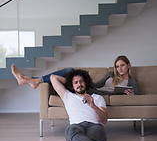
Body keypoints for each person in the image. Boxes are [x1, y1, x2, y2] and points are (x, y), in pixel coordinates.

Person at [50, 69, 107, 141]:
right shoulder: (68, 96)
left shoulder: (97, 98)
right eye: (76, 83)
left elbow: (104, 120)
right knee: (71, 129)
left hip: (94, 125)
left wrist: (93, 106)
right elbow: (53, 78)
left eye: (81, 81)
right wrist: (69, 81)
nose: (79, 84)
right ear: (71, 86)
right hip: (76, 126)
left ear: (86, 82)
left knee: (96, 129)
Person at [11, 55, 139, 95]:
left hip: (94, 94)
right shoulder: (111, 74)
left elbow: (138, 95)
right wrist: (84, 82)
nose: (119, 68)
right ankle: (33, 80)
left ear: (128, 65)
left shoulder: (132, 81)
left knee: (61, 76)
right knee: (69, 70)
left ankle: (32, 80)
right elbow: (97, 85)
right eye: (117, 66)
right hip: (90, 89)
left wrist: (131, 96)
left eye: (122, 65)